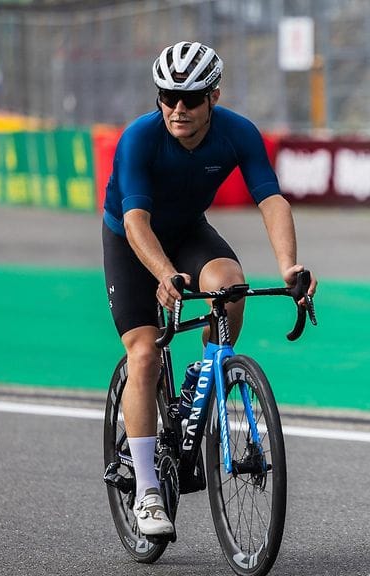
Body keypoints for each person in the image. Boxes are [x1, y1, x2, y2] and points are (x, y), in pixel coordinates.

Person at [102, 41, 316, 536]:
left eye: (190, 98)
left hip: (188, 231)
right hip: (132, 240)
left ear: (213, 96)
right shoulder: (140, 138)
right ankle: (149, 490)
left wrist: (289, 266)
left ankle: (205, 373)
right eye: (167, 96)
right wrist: (162, 274)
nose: (178, 108)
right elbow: (136, 220)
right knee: (145, 355)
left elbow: (271, 200)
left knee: (231, 287)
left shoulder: (237, 133)